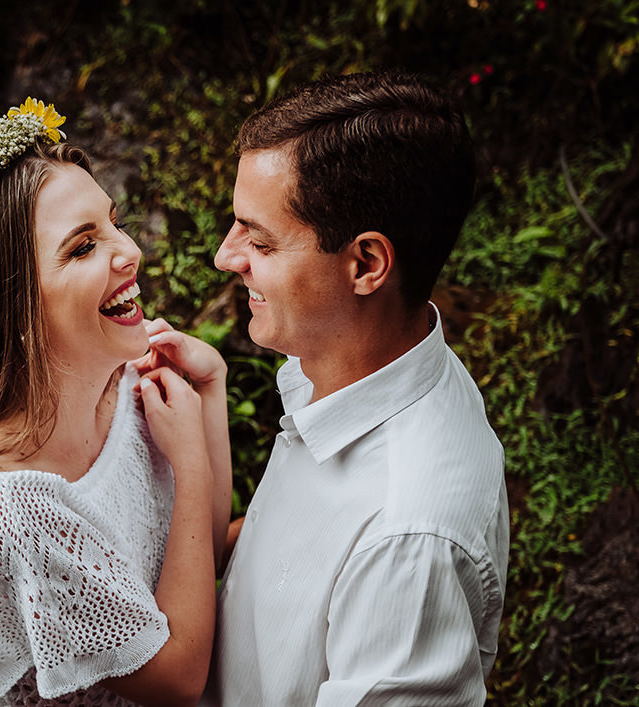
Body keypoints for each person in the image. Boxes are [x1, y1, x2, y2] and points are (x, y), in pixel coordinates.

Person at [0, 98, 232, 707]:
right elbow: (178, 680)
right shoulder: (12, 506)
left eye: (113, 222)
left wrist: (210, 394)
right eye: (81, 247)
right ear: (12, 305)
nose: (128, 251)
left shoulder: (129, 384)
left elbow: (195, 556)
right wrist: (192, 462)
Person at [196, 72, 511, 705]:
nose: (226, 257)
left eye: (259, 239)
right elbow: (292, 544)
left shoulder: (409, 541)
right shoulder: (347, 366)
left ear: (365, 264)